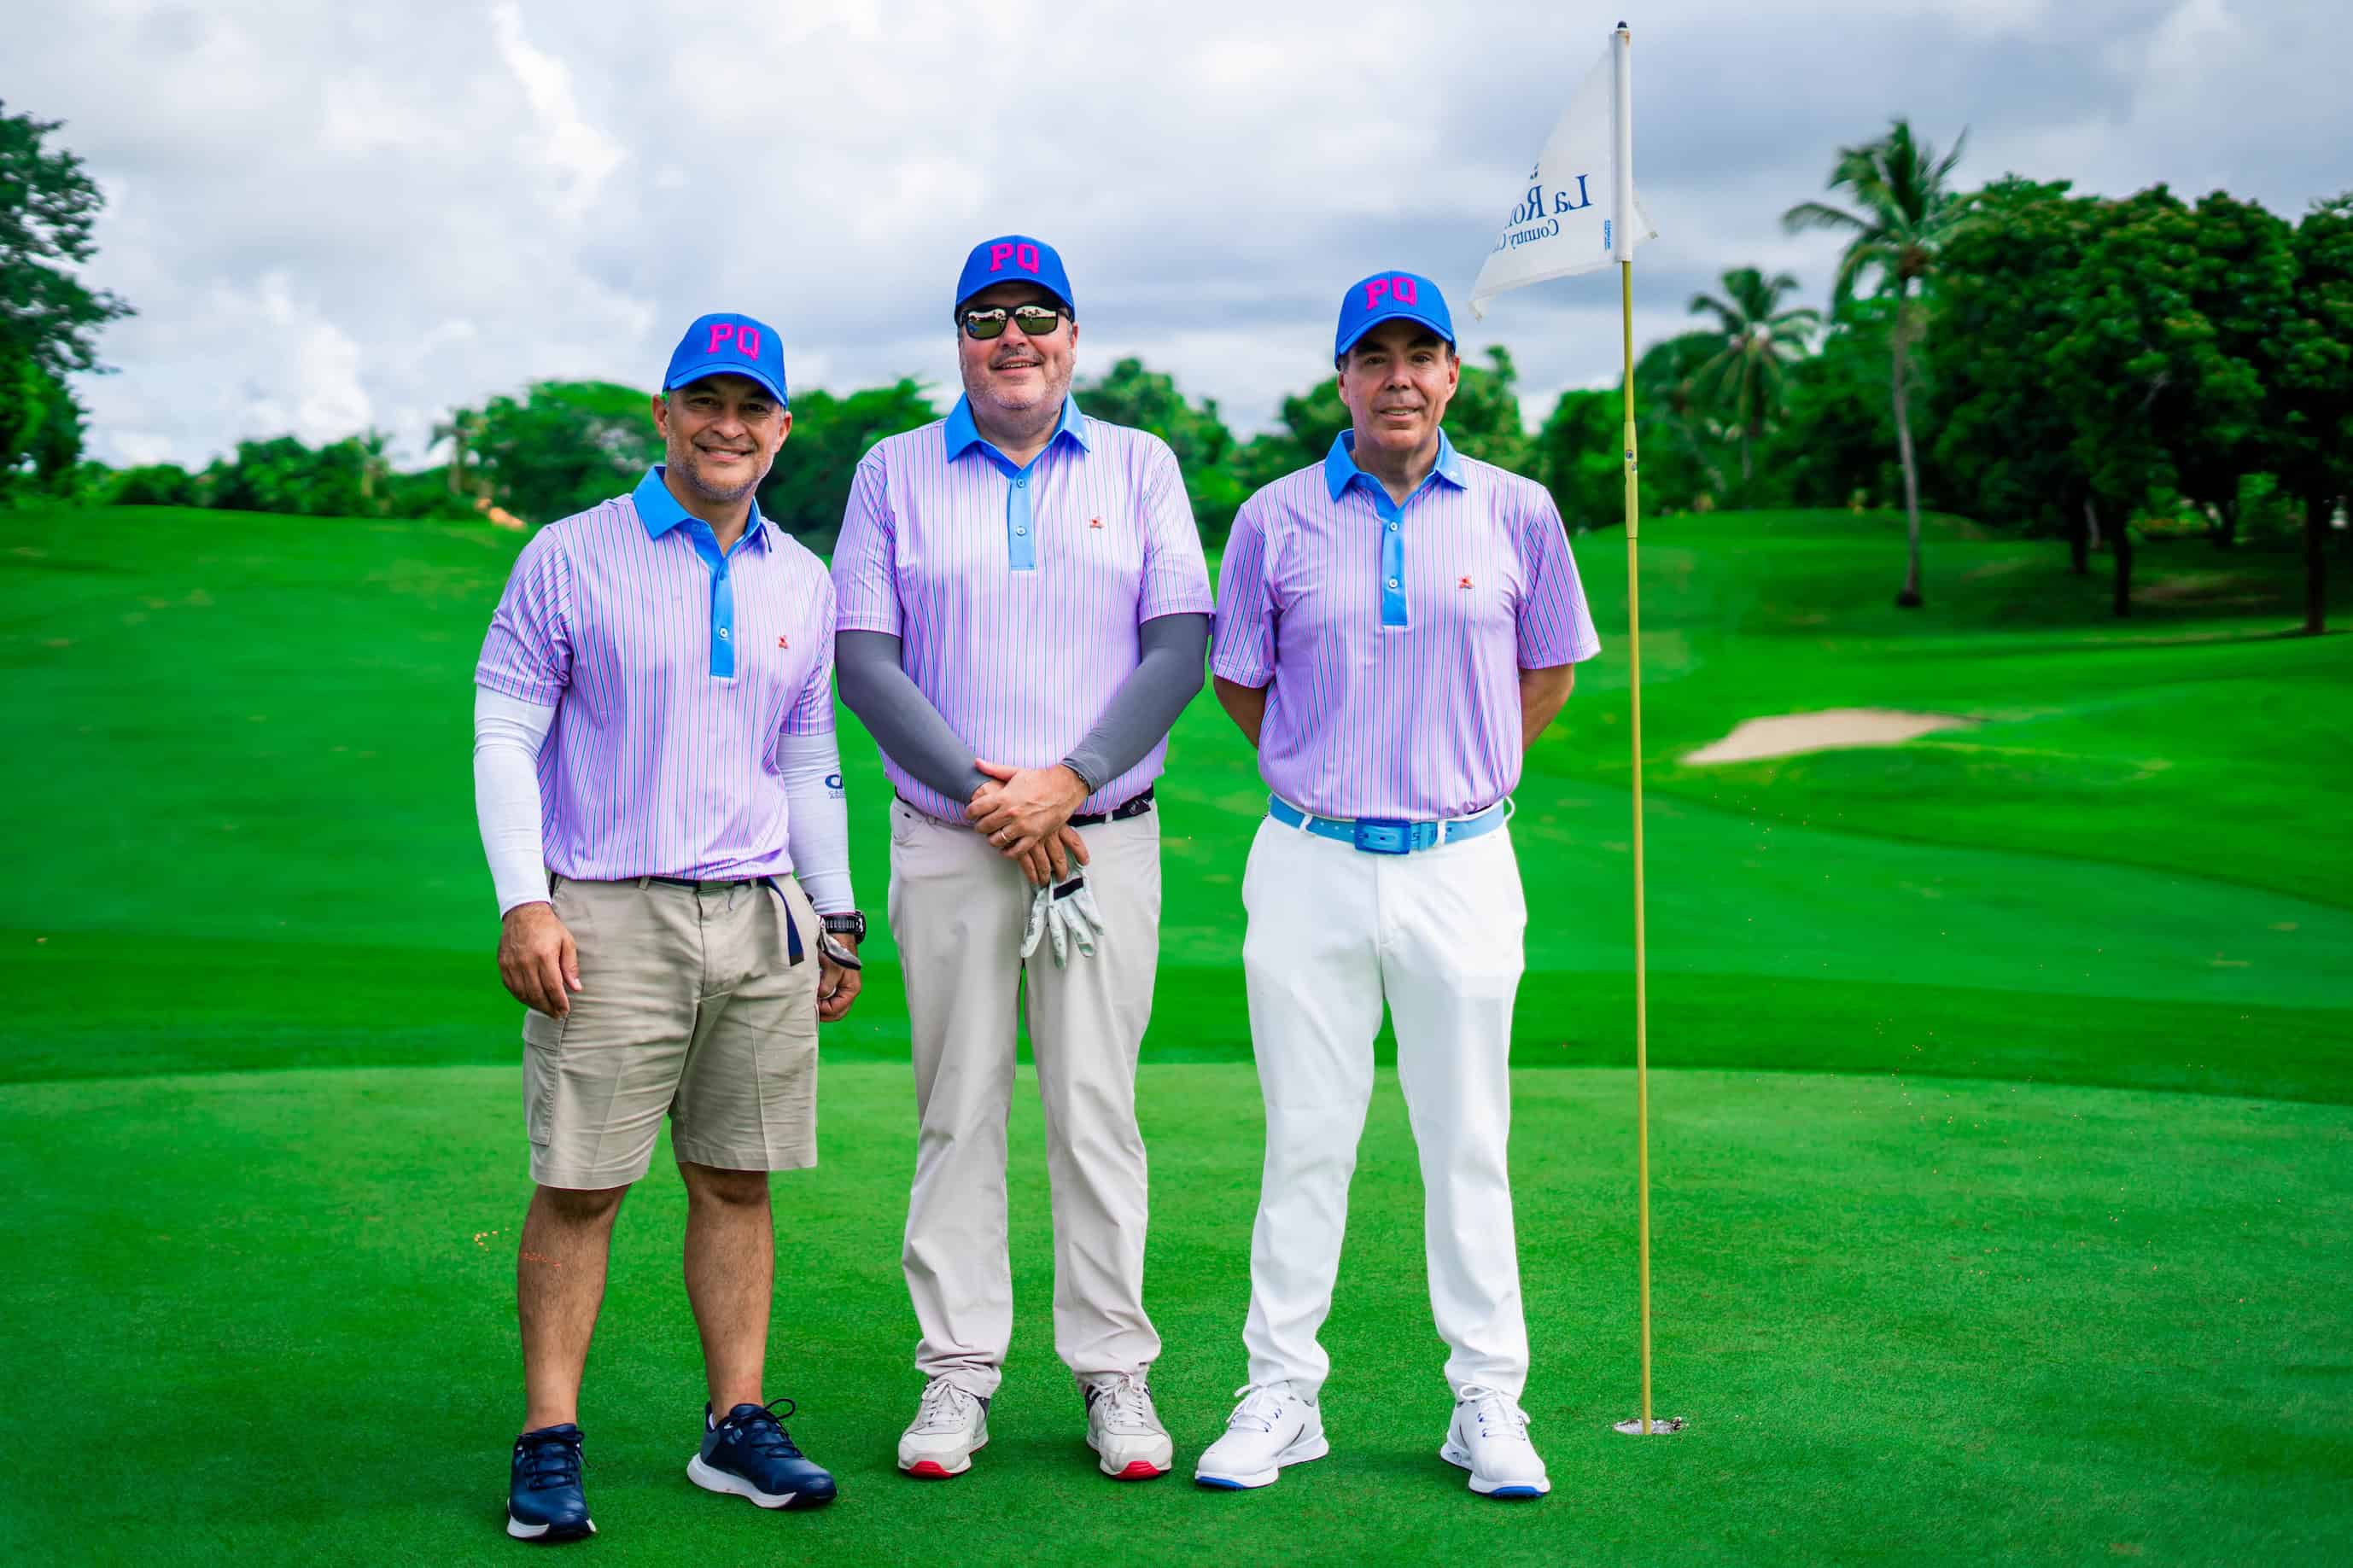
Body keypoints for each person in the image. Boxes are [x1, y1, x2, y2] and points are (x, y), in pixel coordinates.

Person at [1193, 270, 1601, 1499]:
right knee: (1306, 1136)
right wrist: (1339, 770)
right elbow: (1241, 683)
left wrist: (1456, 775)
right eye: (1374, 359)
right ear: (1342, 380)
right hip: (1309, 855)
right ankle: (1283, 1392)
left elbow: (1548, 676)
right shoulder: (1273, 516)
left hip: (1464, 861)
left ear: (1453, 375)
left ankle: (1488, 1396)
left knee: (1467, 1138)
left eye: (1420, 356)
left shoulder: (1520, 511)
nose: (1399, 379)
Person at [472, 312, 868, 1542]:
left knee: (737, 1179)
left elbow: (810, 762)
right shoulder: (568, 556)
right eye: (707, 401)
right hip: (605, 910)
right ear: (664, 412)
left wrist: (839, 916)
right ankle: (548, 1438)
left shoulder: (802, 577)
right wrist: (523, 897)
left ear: (782, 427)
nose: (729, 426)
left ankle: (734, 1424)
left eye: (754, 407)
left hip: (759, 915)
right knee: (582, 1185)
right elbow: (505, 736)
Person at [832, 234, 1213, 1482]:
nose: (1014, 338)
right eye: (988, 317)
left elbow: (1176, 647)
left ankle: (1114, 1371)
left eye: (1036, 316)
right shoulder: (893, 471)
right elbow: (867, 660)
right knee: (958, 1109)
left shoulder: (1141, 464)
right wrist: (994, 796)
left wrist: (1067, 780)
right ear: (960, 339)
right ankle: (957, 1375)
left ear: (1072, 337)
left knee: (1097, 1111)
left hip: (1101, 837)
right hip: (951, 841)